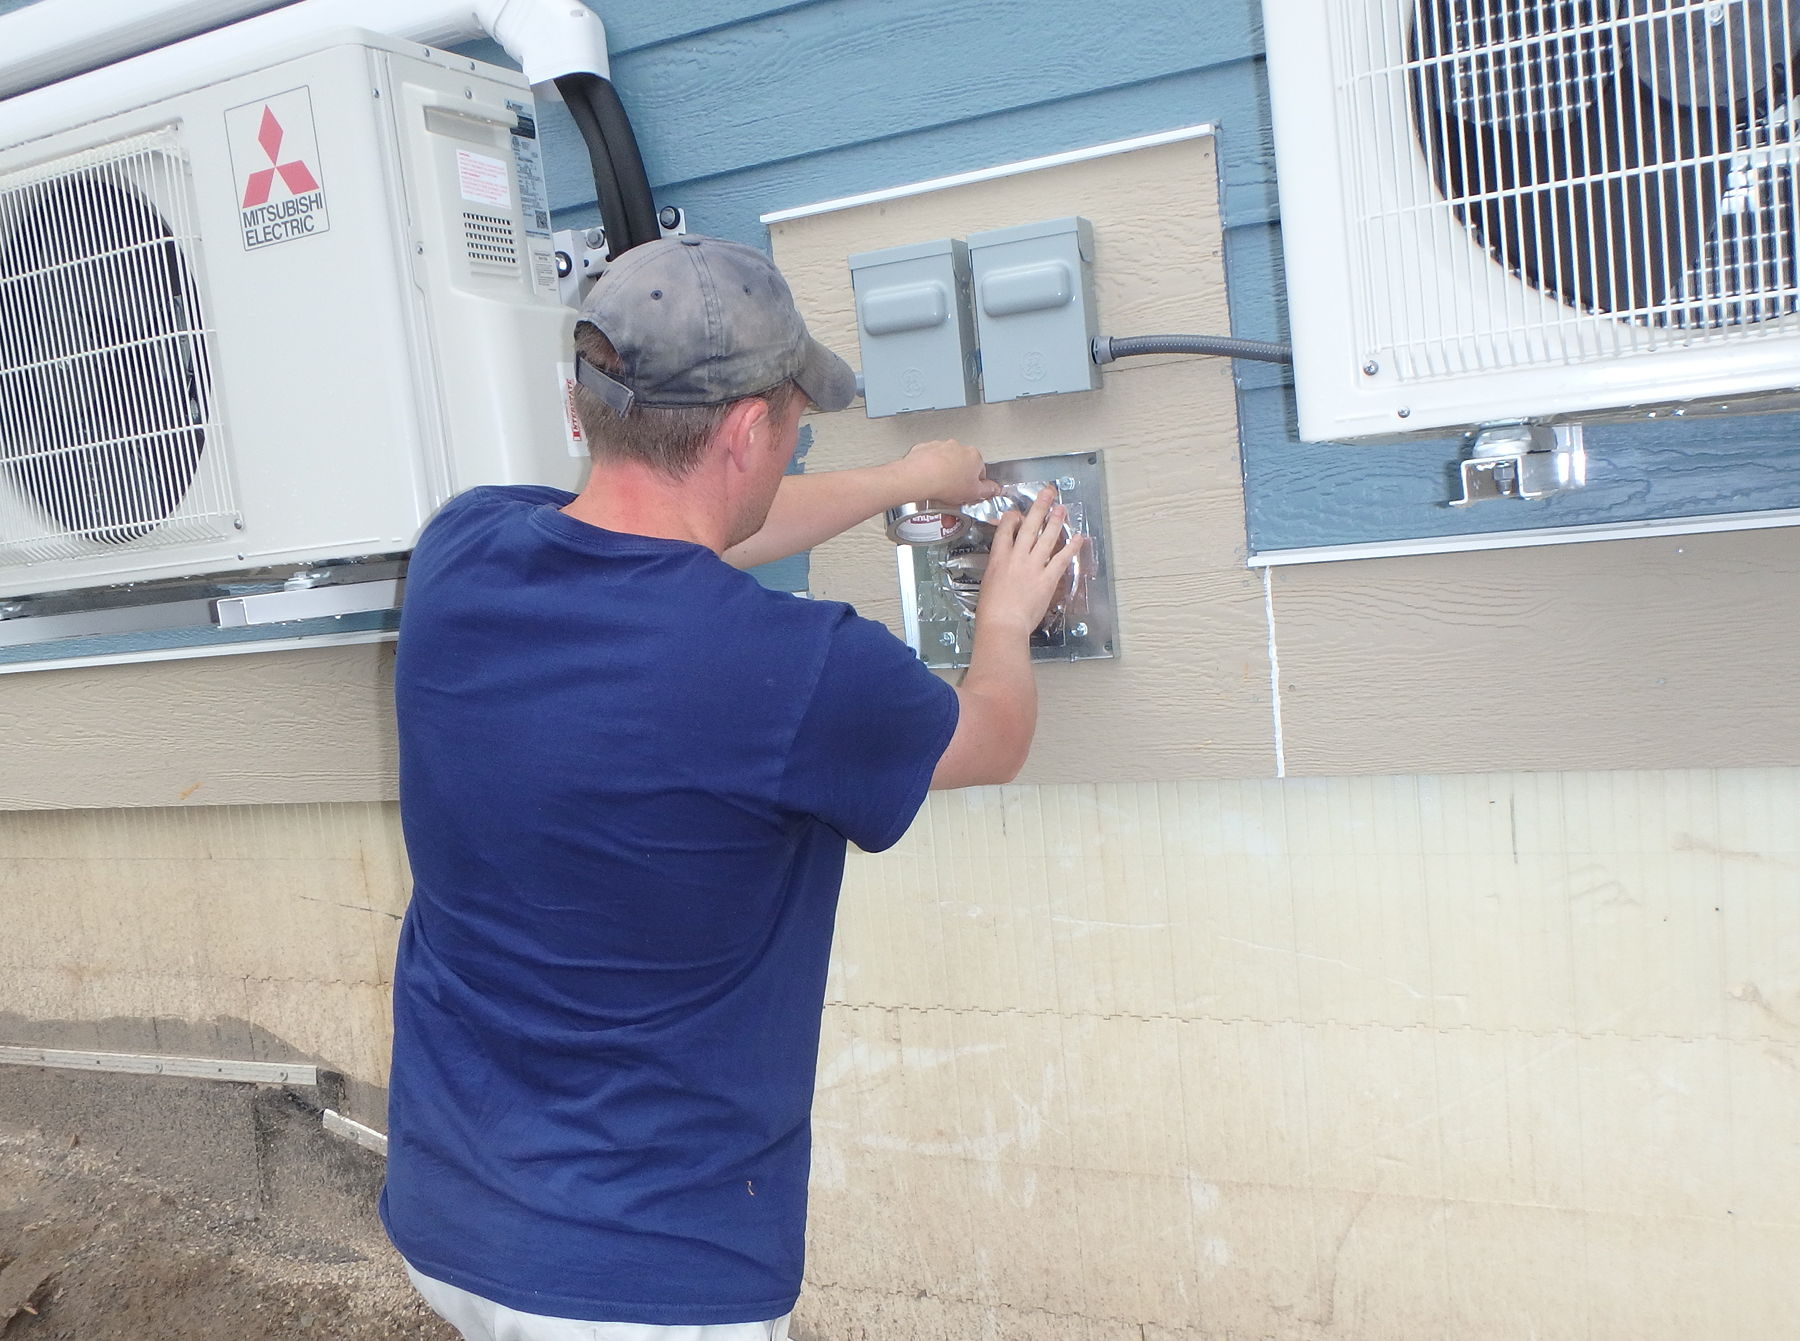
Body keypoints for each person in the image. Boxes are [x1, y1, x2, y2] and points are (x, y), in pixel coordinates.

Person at [382, 234, 1079, 1341]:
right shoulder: (798, 674)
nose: (795, 453)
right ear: (751, 429)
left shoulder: (464, 554)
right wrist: (1004, 621)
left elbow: (688, 539)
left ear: (587, 406)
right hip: (640, 1281)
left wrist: (906, 483)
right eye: (796, 430)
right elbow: (990, 736)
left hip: (452, 1215)